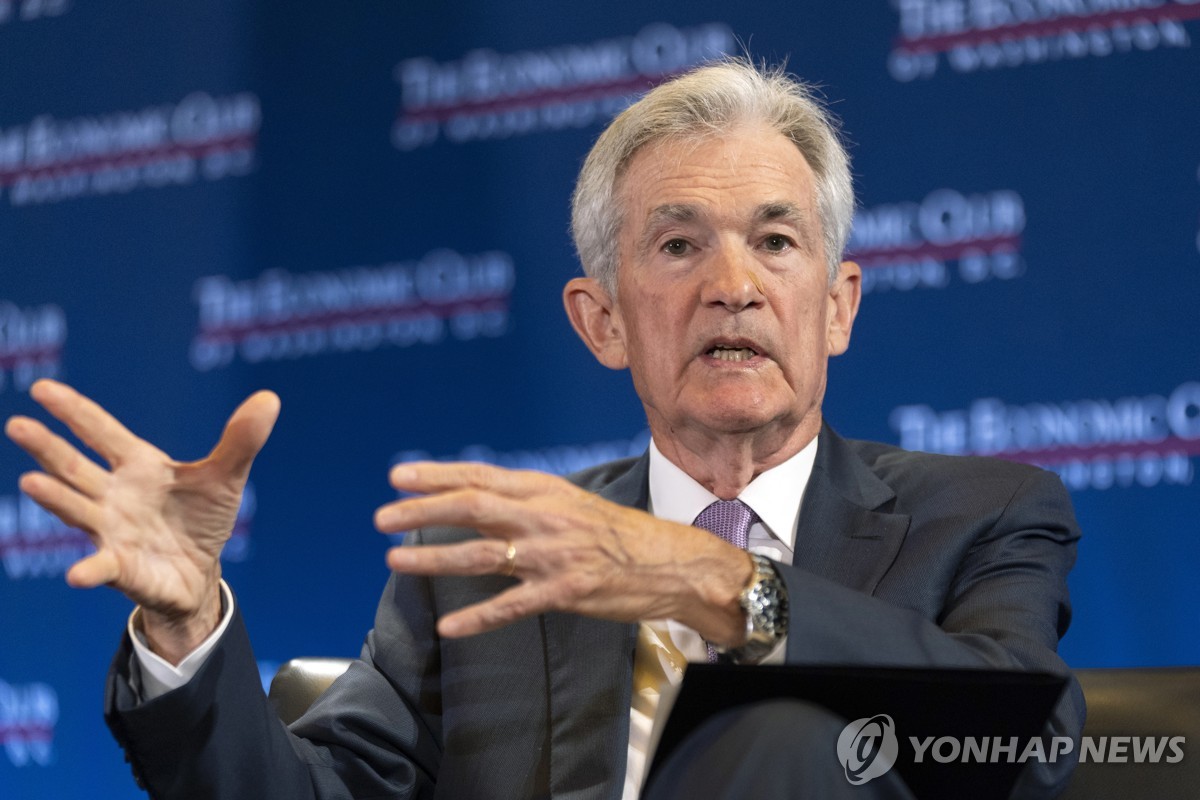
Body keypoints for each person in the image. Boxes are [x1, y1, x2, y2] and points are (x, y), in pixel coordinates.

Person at [5, 59, 1083, 799]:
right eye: (677, 246)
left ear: (839, 302)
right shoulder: (481, 567)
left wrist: (714, 584)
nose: (734, 286)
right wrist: (189, 626)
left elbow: (1022, 735)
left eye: (775, 241)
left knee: (788, 734)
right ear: (601, 319)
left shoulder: (984, 515)